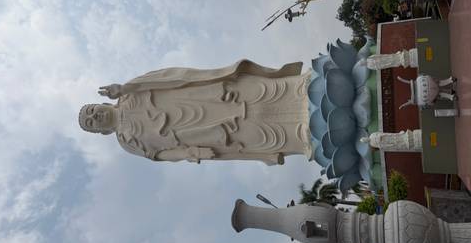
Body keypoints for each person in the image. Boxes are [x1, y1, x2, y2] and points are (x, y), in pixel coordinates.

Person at [79, 59, 312, 165]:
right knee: (249, 134)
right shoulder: (127, 142)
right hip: (195, 132)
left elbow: (165, 80)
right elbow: (159, 155)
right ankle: (299, 137)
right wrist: (190, 153)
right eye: (91, 122)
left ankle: (299, 89)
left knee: (251, 92)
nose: (94, 116)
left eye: (91, 110)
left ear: (100, 103)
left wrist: (124, 87)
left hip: (198, 98)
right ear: (100, 132)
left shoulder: (128, 93)